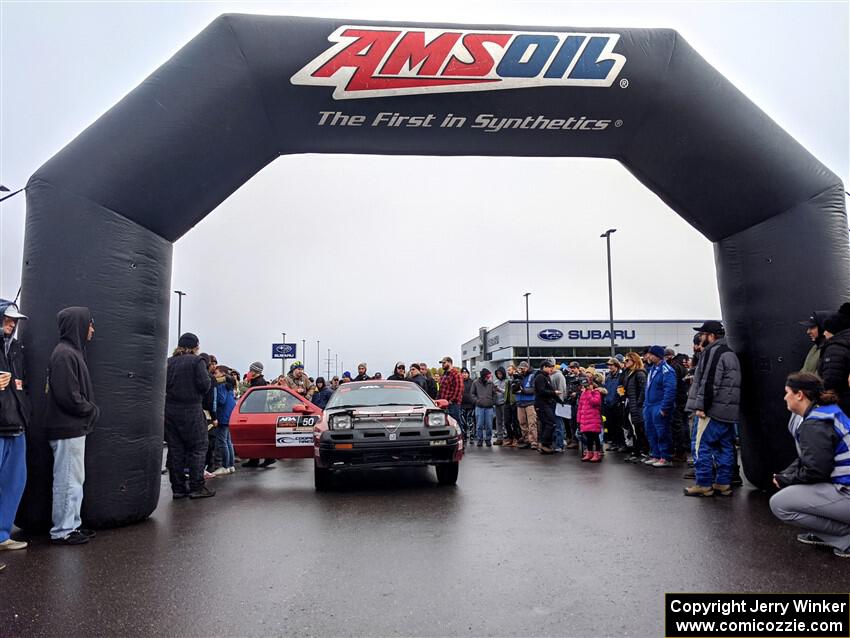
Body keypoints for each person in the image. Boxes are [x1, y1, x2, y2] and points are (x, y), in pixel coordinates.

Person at [769, 373, 850, 558]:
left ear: (800, 395)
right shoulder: (826, 412)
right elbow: (809, 457)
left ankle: (844, 537)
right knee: (796, 489)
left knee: (780, 504)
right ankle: (834, 534)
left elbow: (816, 470)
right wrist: (785, 475)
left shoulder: (815, 423)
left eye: (787, 392)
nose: (784, 397)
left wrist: (785, 480)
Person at [44, 307, 101, 543]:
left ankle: (72, 525)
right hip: (67, 427)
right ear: (78, 325)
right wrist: (91, 409)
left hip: (72, 427)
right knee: (68, 479)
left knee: (74, 480)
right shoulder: (65, 355)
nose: (92, 330)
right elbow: (68, 395)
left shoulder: (70, 353)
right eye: (89, 324)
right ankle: (63, 530)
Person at [684, 321, 741, 496]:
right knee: (724, 447)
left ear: (711, 336)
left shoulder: (713, 352)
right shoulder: (729, 353)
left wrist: (701, 407)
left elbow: (709, 382)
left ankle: (703, 484)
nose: (700, 338)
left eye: (702, 334)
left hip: (711, 410)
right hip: (727, 411)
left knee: (700, 445)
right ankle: (722, 483)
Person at [165, 333, 214, 500]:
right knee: (198, 447)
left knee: (176, 450)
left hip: (170, 411)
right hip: (191, 409)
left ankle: (178, 488)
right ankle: (196, 486)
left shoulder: (168, 362)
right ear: (195, 346)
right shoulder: (196, 361)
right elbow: (204, 385)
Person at [0, 300, 30, 557]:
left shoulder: (17, 349)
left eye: (14, 320)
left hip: (16, 426)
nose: (12, 324)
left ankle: (2, 535)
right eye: (7, 319)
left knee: (15, 483)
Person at [642, 345, 677, 468]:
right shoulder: (652, 369)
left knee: (662, 431)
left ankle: (665, 457)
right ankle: (655, 454)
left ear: (657, 356)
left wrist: (664, 408)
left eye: (651, 354)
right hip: (650, 405)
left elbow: (670, 390)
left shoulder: (667, 370)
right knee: (651, 431)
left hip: (659, 405)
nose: (648, 356)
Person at [818, 304, 850, 416]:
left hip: (841, 408)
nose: (824, 333)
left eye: (826, 330)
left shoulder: (835, 348)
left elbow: (831, 382)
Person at [621, 352, 648, 463]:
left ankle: (643, 451)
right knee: (634, 430)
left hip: (637, 406)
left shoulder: (639, 373)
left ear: (634, 361)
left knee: (640, 430)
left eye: (627, 360)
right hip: (631, 405)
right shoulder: (629, 373)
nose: (625, 362)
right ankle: (637, 451)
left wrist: (638, 403)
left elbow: (643, 390)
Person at [665, 348, 690, 462]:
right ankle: (685, 447)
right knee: (684, 424)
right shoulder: (683, 366)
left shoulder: (674, 367)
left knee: (677, 425)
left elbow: (673, 385)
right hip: (684, 399)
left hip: (677, 400)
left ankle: (680, 451)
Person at [212, 365, 237, 476]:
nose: (214, 375)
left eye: (216, 373)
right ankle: (231, 465)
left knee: (222, 442)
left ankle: (225, 466)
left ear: (222, 373)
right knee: (228, 441)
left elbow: (221, 400)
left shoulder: (221, 386)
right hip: (229, 415)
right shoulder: (230, 385)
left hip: (222, 416)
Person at [578, 370, 605, 462]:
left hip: (594, 419)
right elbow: (580, 407)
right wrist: (579, 419)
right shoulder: (583, 393)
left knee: (595, 437)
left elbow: (595, 402)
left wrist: (589, 392)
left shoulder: (596, 393)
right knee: (588, 437)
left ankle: (597, 453)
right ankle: (589, 452)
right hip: (585, 419)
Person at [534, 358, 559, 454]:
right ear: (544, 367)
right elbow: (541, 391)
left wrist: (558, 400)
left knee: (546, 423)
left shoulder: (546, 376)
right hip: (542, 404)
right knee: (550, 422)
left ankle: (546, 444)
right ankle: (543, 443)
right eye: (549, 367)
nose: (551, 369)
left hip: (546, 403)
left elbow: (549, 390)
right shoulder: (540, 377)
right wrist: (554, 392)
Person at [602, 357, 625, 452]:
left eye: (611, 365)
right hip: (608, 403)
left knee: (619, 425)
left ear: (616, 365)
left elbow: (622, 390)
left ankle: (621, 444)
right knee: (611, 425)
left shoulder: (621, 376)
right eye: (609, 365)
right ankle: (615, 443)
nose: (609, 367)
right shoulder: (608, 376)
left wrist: (620, 401)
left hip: (617, 404)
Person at [470, 368, 498, 447]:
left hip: (489, 407)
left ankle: (488, 439)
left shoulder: (491, 383)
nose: (488, 378)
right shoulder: (475, 383)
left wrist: (493, 402)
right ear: (483, 376)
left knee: (489, 425)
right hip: (479, 407)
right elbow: (472, 394)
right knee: (479, 425)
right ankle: (480, 439)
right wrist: (477, 401)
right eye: (487, 376)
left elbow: (495, 393)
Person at [514, 361, 538, 449]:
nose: (521, 370)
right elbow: (514, 388)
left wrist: (523, 391)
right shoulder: (518, 377)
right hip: (520, 402)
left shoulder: (532, 376)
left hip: (530, 402)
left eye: (522, 368)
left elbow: (534, 389)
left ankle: (533, 441)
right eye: (520, 368)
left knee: (532, 422)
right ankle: (526, 439)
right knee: (522, 422)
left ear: (527, 367)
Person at [438, 357, 463, 431]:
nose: (442, 365)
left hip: (453, 404)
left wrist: (451, 401)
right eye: (442, 363)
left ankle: (460, 438)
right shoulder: (444, 374)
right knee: (446, 423)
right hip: (443, 404)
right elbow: (441, 389)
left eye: (444, 363)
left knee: (455, 422)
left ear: (449, 362)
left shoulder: (456, 374)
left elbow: (459, 389)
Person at [548, 361, 567, 452]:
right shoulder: (549, 375)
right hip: (551, 403)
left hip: (557, 403)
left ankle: (560, 444)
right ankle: (556, 443)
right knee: (554, 424)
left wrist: (560, 402)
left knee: (559, 424)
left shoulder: (559, 376)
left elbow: (562, 390)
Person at [492, 367, 508, 445]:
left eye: (500, 374)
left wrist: (499, 389)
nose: (499, 375)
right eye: (498, 374)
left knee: (505, 420)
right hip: (497, 403)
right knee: (498, 421)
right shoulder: (495, 382)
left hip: (504, 403)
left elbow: (506, 392)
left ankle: (506, 437)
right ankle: (499, 437)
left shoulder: (507, 381)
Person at [460, 368, 475, 440]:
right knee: (463, 422)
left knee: (470, 421)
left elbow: (474, 393)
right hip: (462, 405)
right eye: (463, 373)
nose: (464, 374)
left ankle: (472, 435)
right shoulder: (459, 382)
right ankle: (464, 435)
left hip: (470, 405)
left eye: (466, 373)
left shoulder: (472, 382)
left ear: (468, 374)